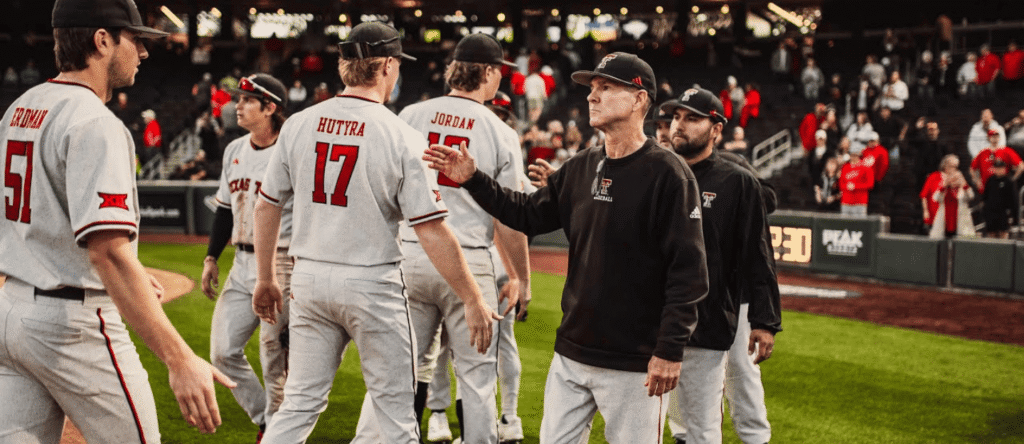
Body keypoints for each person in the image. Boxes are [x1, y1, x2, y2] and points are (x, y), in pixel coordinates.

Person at [424, 52, 710, 443]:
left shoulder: (669, 174)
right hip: (572, 352)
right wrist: (474, 179)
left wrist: (670, 350)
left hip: (635, 360)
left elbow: (689, 274)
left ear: (639, 99)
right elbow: (526, 213)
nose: (592, 96)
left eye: (606, 87)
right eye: (592, 88)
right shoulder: (582, 165)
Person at [250, 22, 500, 444]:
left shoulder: (299, 123)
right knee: (395, 414)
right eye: (397, 64)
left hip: (309, 278)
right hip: (372, 282)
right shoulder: (401, 135)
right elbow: (432, 231)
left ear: (344, 65)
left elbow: (266, 205)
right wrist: (472, 297)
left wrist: (264, 277)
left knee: (298, 405)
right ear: (386, 66)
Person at [0, 0, 234, 441]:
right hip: (73, 324)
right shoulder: (94, 122)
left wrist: (130, 269)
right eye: (135, 39)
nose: (143, 52)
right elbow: (107, 253)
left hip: (11, 310)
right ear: (102, 40)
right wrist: (180, 358)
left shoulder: (21, 107)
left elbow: (41, 217)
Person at [353, 32, 530, 444]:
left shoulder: (410, 115)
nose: (500, 78)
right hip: (469, 258)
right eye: (499, 72)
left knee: (397, 371)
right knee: (477, 378)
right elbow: (508, 217)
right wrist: (521, 276)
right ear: (488, 72)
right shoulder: (499, 131)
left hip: (411, 253)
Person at [658, 88, 781, 444]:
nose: (678, 125)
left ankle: (754, 437)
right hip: (658, 311)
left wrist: (765, 320)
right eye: (676, 117)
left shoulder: (736, 177)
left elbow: (758, 252)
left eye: (692, 118)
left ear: (716, 129)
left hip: (716, 307)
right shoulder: (657, 172)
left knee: (736, 378)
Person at [201, 73, 292, 442]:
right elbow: (225, 209)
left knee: (274, 355)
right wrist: (211, 257)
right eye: (237, 99)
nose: (236, 106)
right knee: (222, 353)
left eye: (246, 100)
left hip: (282, 261)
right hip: (241, 262)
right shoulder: (234, 149)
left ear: (269, 108)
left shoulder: (291, 148)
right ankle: (268, 420)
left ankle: (278, 432)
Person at [970, 129, 1023, 193]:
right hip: (986, 188)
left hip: (1002, 187)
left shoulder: (1006, 151)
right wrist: (977, 182)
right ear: (989, 138)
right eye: (993, 136)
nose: (995, 138)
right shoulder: (983, 152)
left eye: (996, 136)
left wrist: (1012, 180)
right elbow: (972, 168)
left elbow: (1021, 166)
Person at [928, 170, 975, 239]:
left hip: (959, 220)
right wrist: (943, 186)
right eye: (952, 179)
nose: (954, 181)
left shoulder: (963, 190)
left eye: (956, 179)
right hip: (945, 221)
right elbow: (935, 198)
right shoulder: (944, 190)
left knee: (960, 240)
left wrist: (965, 186)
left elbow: (971, 196)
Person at [921, 154, 960, 234]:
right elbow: (924, 195)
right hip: (934, 214)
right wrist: (925, 211)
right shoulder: (933, 176)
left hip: (949, 218)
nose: (954, 169)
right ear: (945, 166)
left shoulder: (956, 179)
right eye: (952, 166)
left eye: (956, 167)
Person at [981, 159, 1019, 239]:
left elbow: (1014, 201)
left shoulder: (1009, 181)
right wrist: (985, 211)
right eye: (997, 168)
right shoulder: (990, 180)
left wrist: (1015, 219)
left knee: (1003, 234)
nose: (998, 170)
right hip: (991, 213)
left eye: (1001, 168)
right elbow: (985, 197)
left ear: (1004, 169)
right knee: (991, 234)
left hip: (1003, 213)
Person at [838, 148, 875, 216]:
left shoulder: (866, 167)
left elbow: (870, 184)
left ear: (859, 155)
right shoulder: (845, 167)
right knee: (845, 222)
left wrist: (855, 186)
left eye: (855, 155)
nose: (853, 157)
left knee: (859, 222)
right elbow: (841, 184)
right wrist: (847, 186)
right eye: (852, 155)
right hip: (846, 201)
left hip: (860, 201)